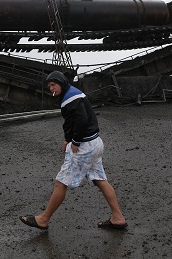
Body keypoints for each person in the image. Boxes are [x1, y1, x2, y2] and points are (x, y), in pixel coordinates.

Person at [19, 70, 127, 231]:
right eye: (49, 86)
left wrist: (75, 141)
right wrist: (67, 139)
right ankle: (118, 218)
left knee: (60, 182)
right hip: (95, 143)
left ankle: (43, 219)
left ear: (61, 83)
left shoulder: (70, 98)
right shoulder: (72, 94)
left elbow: (81, 121)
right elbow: (72, 121)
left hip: (84, 147)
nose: (51, 88)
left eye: (53, 84)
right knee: (99, 179)